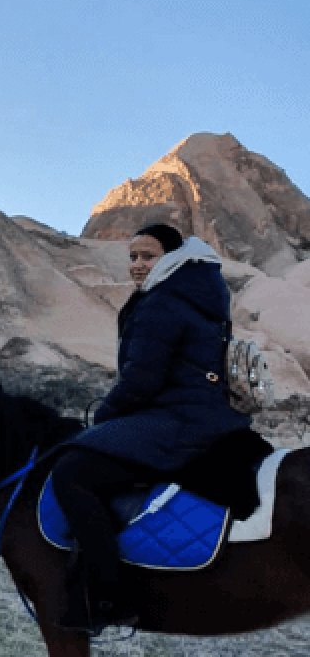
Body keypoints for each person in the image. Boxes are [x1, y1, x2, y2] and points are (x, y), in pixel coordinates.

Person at [52, 223, 250, 633]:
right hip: (206, 416)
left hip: (179, 420)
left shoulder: (163, 302)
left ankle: (110, 597)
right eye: (133, 257)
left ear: (172, 258)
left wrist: (105, 417)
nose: (138, 265)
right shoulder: (198, 294)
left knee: (74, 472)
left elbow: (142, 380)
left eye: (148, 256)